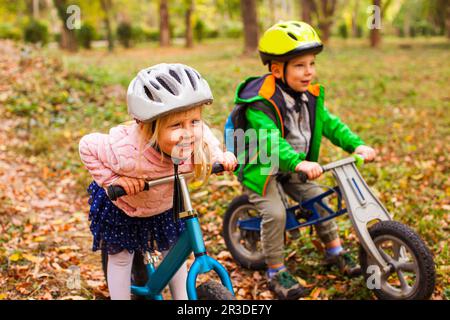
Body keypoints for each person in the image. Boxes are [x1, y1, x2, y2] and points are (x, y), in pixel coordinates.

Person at [225, 21, 376, 300]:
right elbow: (271, 141)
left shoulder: (308, 97)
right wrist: (298, 162)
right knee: (276, 213)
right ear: (276, 69)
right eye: (299, 66)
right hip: (263, 168)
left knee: (319, 199)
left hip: (293, 167)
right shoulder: (260, 103)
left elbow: (332, 125)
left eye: (311, 63)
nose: (309, 72)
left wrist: (357, 144)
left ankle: (334, 251)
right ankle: (276, 270)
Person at [79, 63, 237, 300]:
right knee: (121, 258)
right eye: (176, 125)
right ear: (146, 127)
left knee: (175, 252)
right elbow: (86, 146)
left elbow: (205, 138)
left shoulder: (195, 134)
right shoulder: (127, 152)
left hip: (164, 203)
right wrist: (115, 179)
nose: (188, 132)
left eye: (193, 121)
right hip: (126, 206)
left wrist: (219, 157)